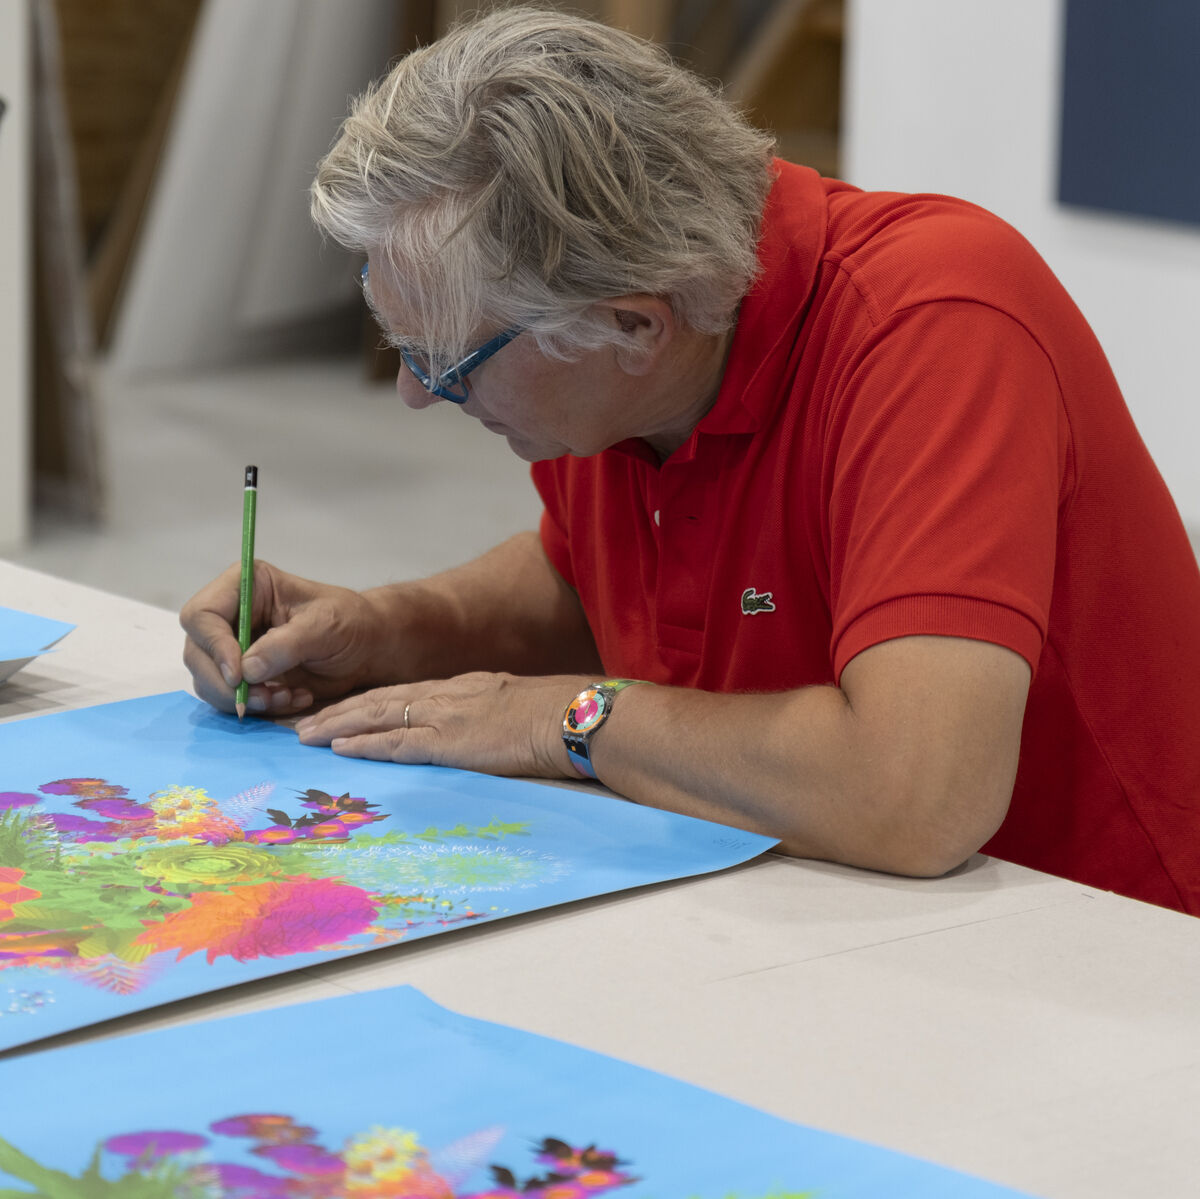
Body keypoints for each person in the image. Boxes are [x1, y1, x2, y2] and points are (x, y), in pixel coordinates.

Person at [181, 6, 1200, 915]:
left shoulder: (934, 324)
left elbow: (915, 797)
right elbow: (597, 577)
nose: (416, 393)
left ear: (632, 323)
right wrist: (395, 630)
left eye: (446, 361)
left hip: (1093, 943)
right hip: (818, 900)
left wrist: (563, 720)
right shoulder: (625, 355)